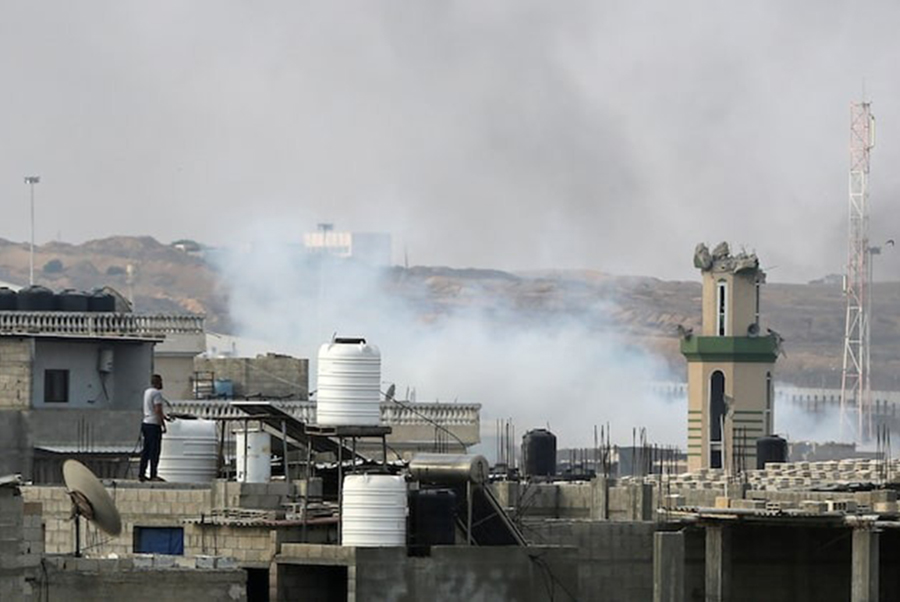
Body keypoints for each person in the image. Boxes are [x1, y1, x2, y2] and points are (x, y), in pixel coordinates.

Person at [139, 374, 168, 482]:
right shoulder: (157, 393)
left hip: (146, 422)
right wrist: (163, 424)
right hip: (153, 424)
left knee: (146, 450)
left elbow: (151, 409)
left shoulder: (147, 392)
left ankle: (142, 473)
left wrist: (164, 416)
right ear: (158, 382)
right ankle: (153, 474)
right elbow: (157, 410)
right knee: (154, 450)